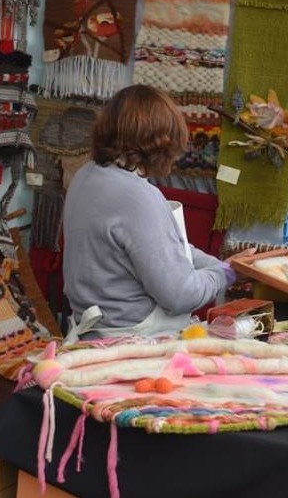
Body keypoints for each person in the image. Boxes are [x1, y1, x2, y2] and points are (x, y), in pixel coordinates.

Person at [62, 84, 235, 340]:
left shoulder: (87, 175)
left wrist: (221, 265)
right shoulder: (136, 197)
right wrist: (223, 275)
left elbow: (165, 249)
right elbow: (180, 295)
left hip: (95, 334)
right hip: (134, 344)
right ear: (160, 143)